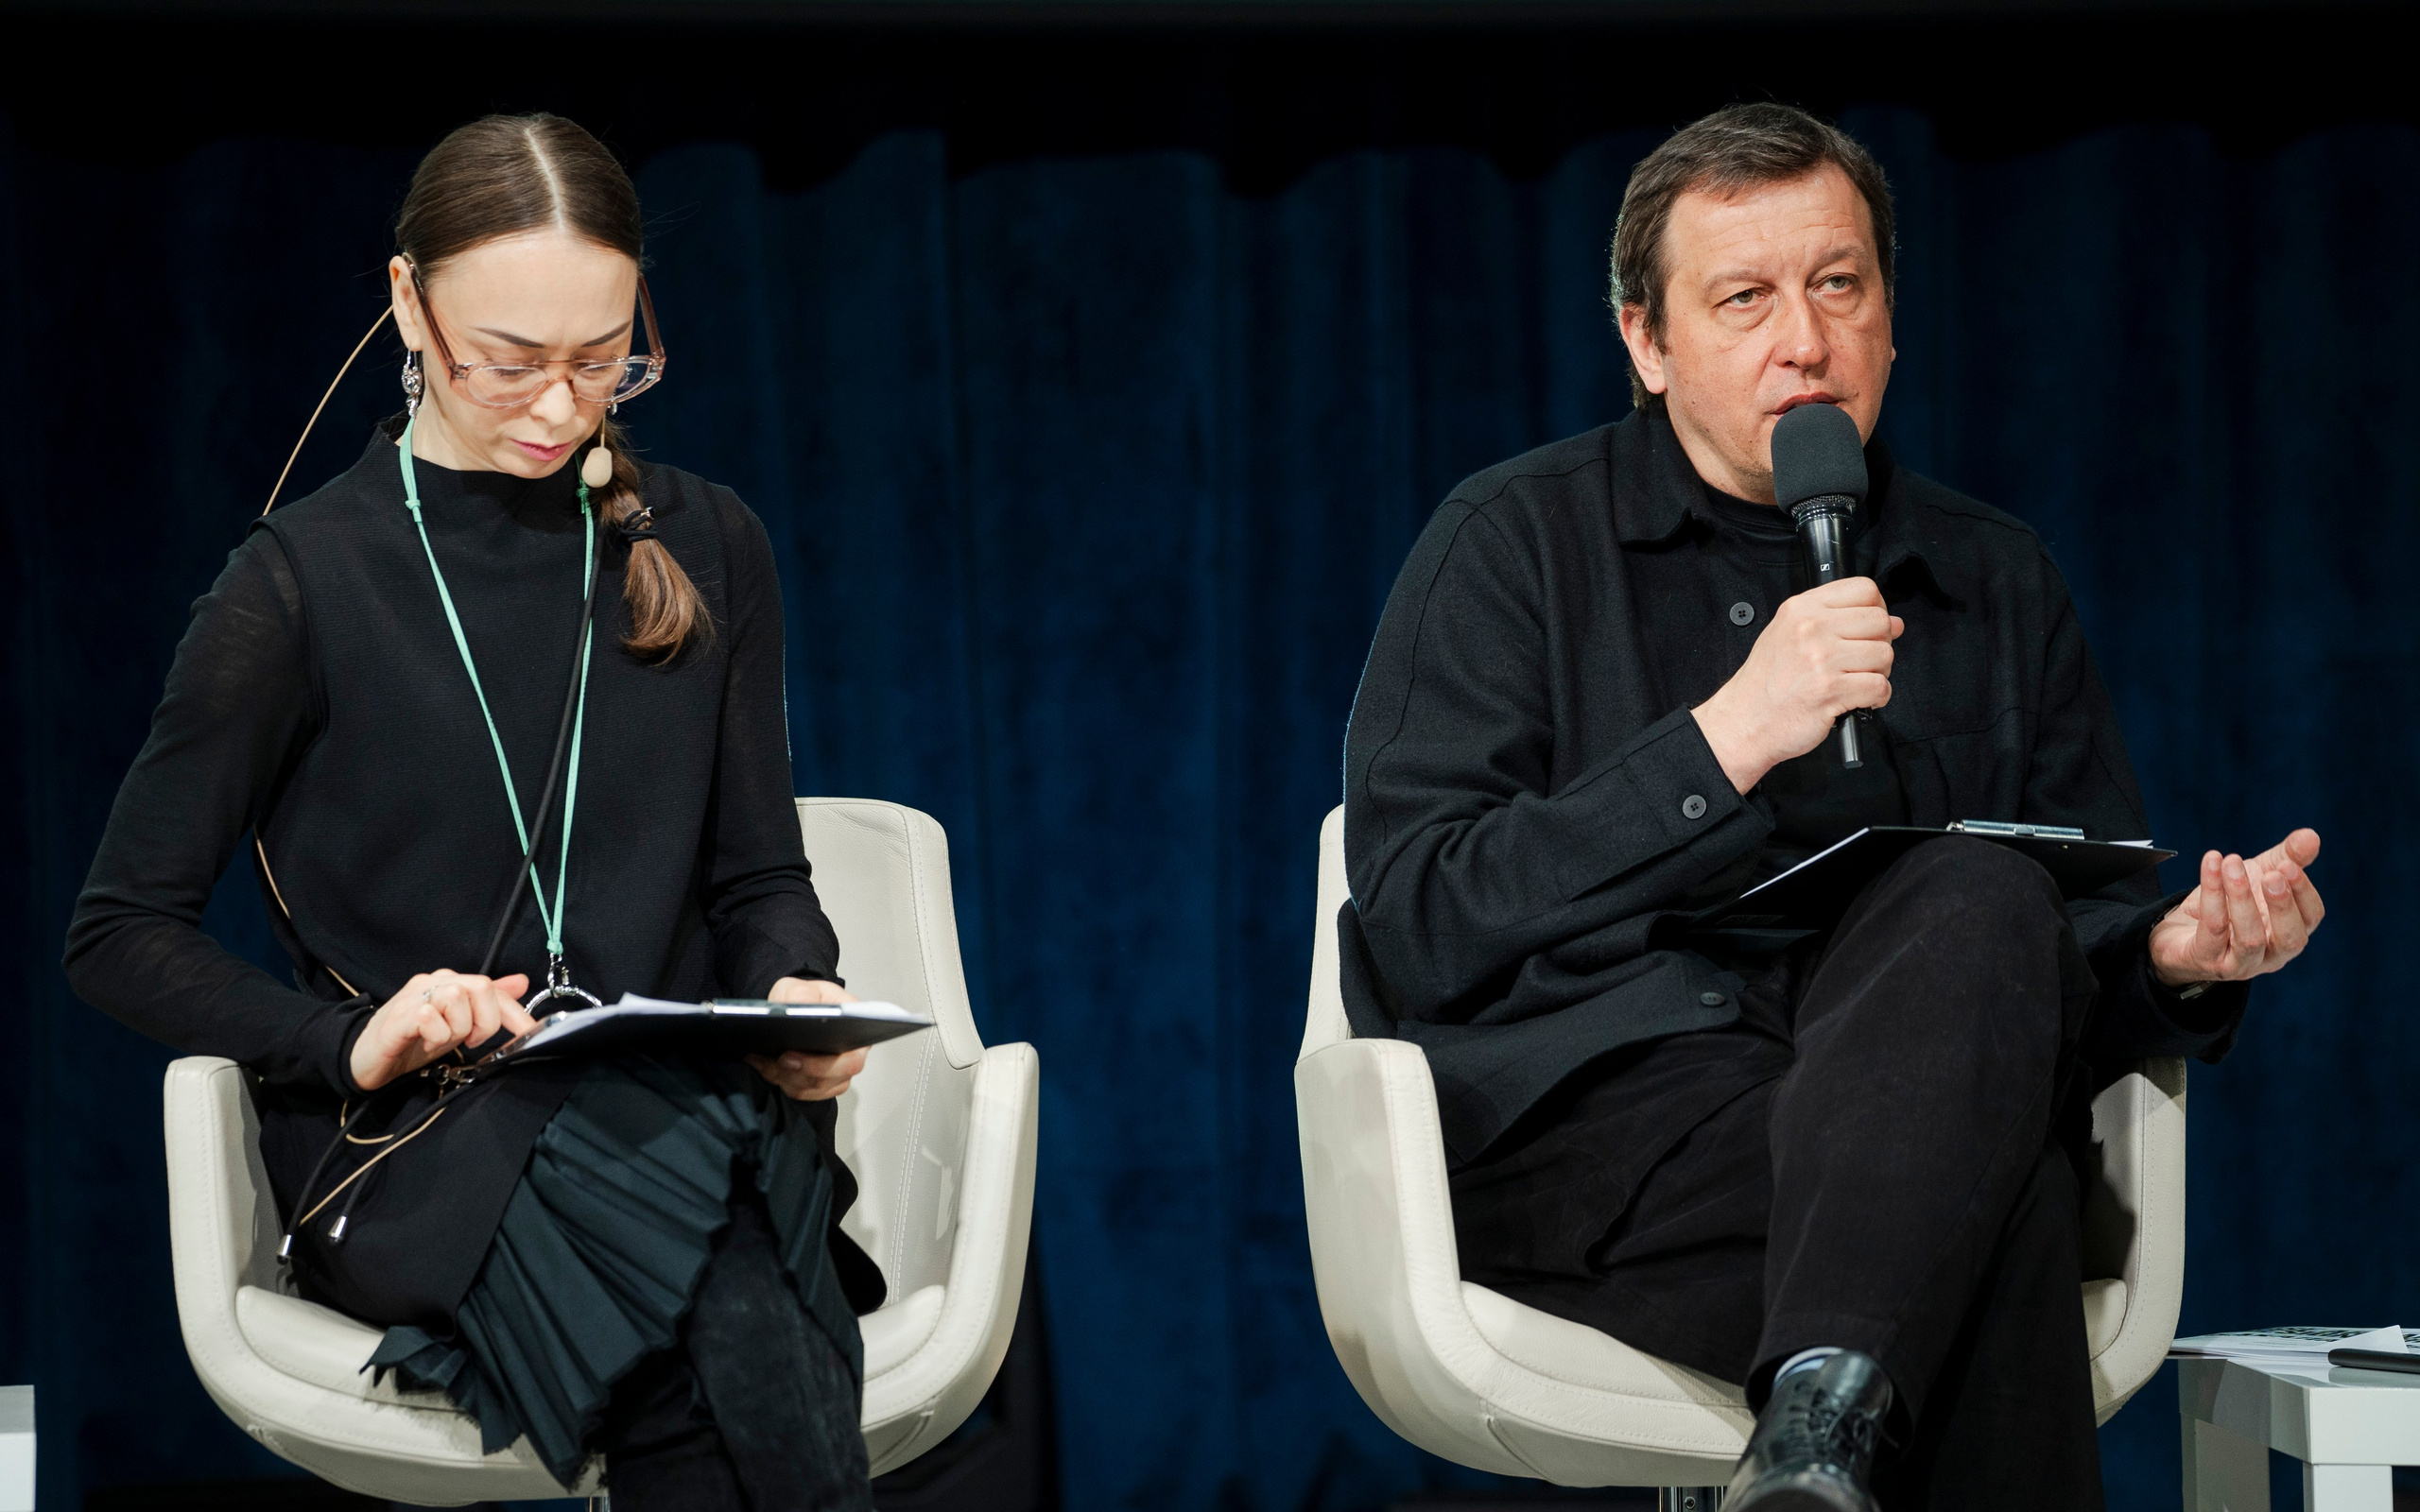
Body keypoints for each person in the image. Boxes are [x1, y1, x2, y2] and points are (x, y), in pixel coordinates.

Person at [1337, 102, 2325, 1512]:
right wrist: (1726, 738)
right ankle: (1822, 1432)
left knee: (1983, 905)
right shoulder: (1511, 545)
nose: (1804, 340)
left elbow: (2057, 956)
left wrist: (2171, 964)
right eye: (1743, 299)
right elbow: (1425, 915)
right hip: (1603, 1153)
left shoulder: (1995, 576)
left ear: (1890, 317)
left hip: (1894, 1124)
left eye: (1838, 286)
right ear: (1647, 342)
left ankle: (1817, 1436)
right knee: (2000, 1216)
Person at [65, 114, 881, 1512]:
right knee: (730, 1306)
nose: (561, 410)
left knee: (724, 1268)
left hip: (676, 1117)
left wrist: (798, 987)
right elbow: (119, 933)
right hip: (428, 1141)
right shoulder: (300, 584)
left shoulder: (706, 542)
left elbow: (756, 878)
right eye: (508, 362)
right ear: (407, 304)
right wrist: (346, 1038)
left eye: (603, 359)